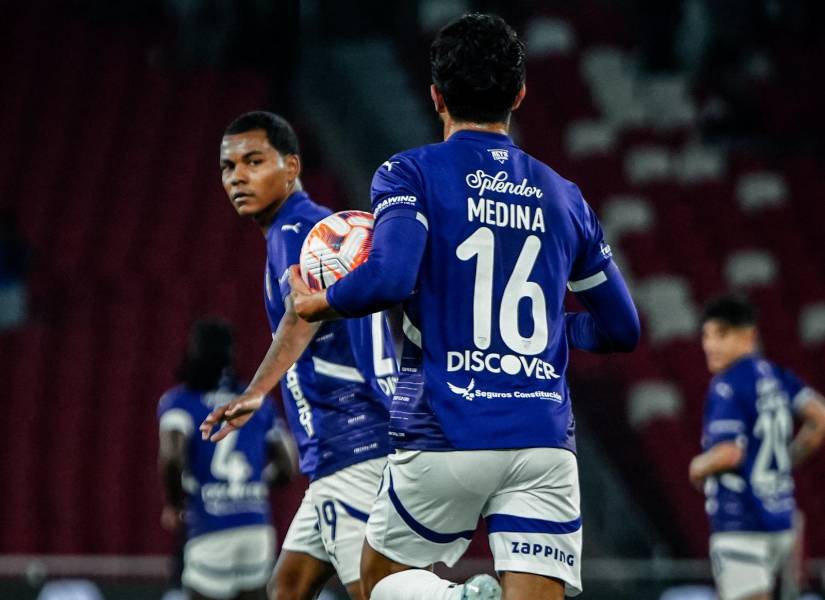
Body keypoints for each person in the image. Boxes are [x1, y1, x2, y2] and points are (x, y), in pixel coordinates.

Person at [288, 13, 640, 600]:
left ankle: (456, 598)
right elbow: (622, 328)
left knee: (378, 580)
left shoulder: (410, 173)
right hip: (541, 438)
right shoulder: (564, 197)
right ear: (520, 94)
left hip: (447, 429)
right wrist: (557, 327)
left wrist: (315, 304)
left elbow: (388, 278)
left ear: (435, 96)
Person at [199, 111, 398, 600]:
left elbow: (300, 317)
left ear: (291, 168)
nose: (238, 177)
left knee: (379, 592)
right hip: (348, 443)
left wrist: (254, 392)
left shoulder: (299, 231)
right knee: (287, 588)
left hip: (351, 444)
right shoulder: (316, 228)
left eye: (253, 161)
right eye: (228, 167)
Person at [689, 295, 825, 600]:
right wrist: (786, 462)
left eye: (721, 335)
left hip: (741, 523)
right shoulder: (776, 376)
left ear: (748, 335)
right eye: (706, 336)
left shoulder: (728, 385)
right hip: (780, 520)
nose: (710, 345)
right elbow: (820, 418)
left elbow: (729, 453)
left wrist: (697, 466)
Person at [158, 318, 297, 600]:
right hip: (256, 528)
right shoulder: (256, 401)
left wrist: (174, 505)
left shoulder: (178, 402)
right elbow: (288, 466)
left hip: (210, 529)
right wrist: (254, 484)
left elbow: (172, 458)